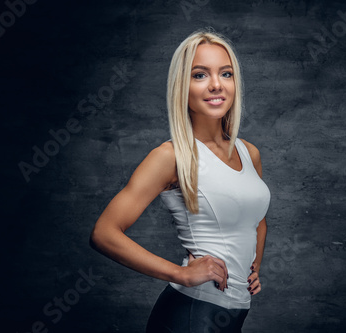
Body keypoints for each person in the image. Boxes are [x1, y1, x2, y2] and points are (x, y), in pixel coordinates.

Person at [90, 29, 271, 332]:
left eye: (225, 74)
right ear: (182, 87)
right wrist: (180, 273)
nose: (216, 85)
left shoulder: (248, 152)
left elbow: (257, 220)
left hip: (236, 312)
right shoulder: (171, 156)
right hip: (191, 313)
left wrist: (254, 268)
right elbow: (104, 233)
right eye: (200, 75)